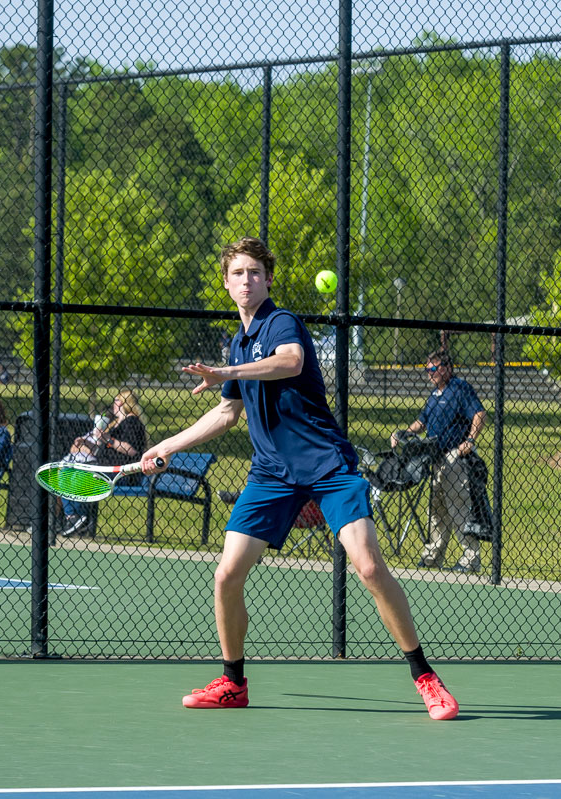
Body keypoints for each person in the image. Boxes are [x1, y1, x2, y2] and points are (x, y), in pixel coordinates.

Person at [138, 236, 458, 720]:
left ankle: (425, 677)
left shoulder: (281, 322)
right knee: (227, 575)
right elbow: (227, 413)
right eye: (237, 273)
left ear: (267, 280)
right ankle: (233, 681)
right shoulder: (239, 342)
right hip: (270, 475)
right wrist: (167, 444)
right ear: (226, 283)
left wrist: (227, 368)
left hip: (329, 466)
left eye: (254, 273)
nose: (246, 280)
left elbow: (291, 362)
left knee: (369, 568)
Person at [391, 349, 486, 573]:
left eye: (433, 368)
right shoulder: (434, 396)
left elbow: (479, 414)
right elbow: (421, 423)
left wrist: (470, 440)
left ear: (447, 368)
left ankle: (471, 559)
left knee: (459, 507)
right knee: (436, 509)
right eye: (427, 369)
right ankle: (433, 555)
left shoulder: (460, 389)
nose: (429, 373)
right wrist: (403, 433)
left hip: (455, 457)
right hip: (435, 458)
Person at [59, 389, 148, 538]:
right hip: (107, 468)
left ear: (126, 403)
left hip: (122, 472)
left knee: (78, 472)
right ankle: (73, 518)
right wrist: (87, 442)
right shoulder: (114, 423)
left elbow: (132, 450)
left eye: (117, 400)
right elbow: (103, 448)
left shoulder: (132, 422)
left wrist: (108, 439)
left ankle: (76, 517)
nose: (114, 403)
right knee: (67, 469)